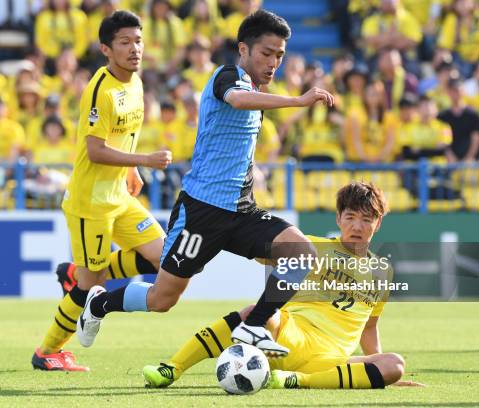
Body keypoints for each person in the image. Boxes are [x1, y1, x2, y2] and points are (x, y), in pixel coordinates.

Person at [76, 9, 335, 357]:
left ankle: (254, 325)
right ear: (243, 49)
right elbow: (238, 100)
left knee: (301, 253)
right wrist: (297, 101)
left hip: (241, 211)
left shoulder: (257, 89)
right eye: (266, 53)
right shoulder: (226, 77)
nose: (274, 62)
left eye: (280, 55)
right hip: (201, 212)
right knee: (161, 299)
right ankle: (100, 304)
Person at [143, 182, 423, 390]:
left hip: (331, 360)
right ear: (338, 218)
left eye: (366, 219)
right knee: (255, 313)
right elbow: (253, 248)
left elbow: (369, 327)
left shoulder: (382, 271)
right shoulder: (310, 247)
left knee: (394, 365)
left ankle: (296, 381)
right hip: (286, 338)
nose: (357, 226)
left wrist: (374, 370)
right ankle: (172, 367)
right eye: (350, 217)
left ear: (378, 223)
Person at [31, 10, 172, 372]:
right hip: (89, 203)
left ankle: (77, 275)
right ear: (106, 49)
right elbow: (95, 149)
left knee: (163, 256)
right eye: (125, 42)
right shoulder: (100, 89)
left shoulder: (136, 83)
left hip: (118, 197)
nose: (134, 49)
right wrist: (145, 158)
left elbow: (122, 135)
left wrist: (132, 168)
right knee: (89, 287)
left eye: (138, 41)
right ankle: (48, 350)